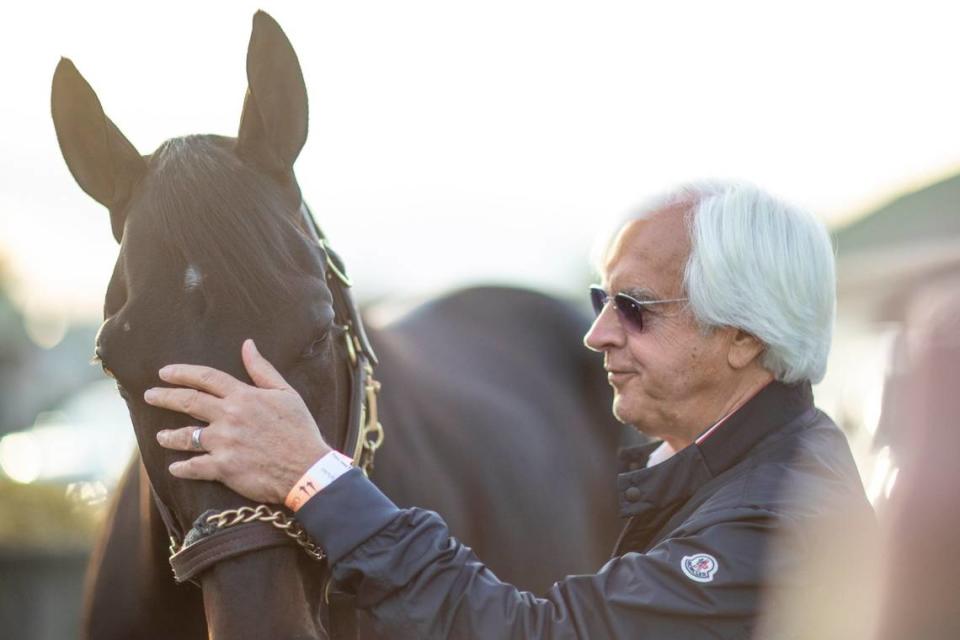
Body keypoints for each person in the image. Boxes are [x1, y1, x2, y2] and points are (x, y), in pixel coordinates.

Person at [144, 182, 875, 638]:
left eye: (636, 309)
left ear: (743, 337)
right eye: (600, 301)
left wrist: (314, 476)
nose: (598, 335)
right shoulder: (744, 462)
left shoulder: (773, 523)